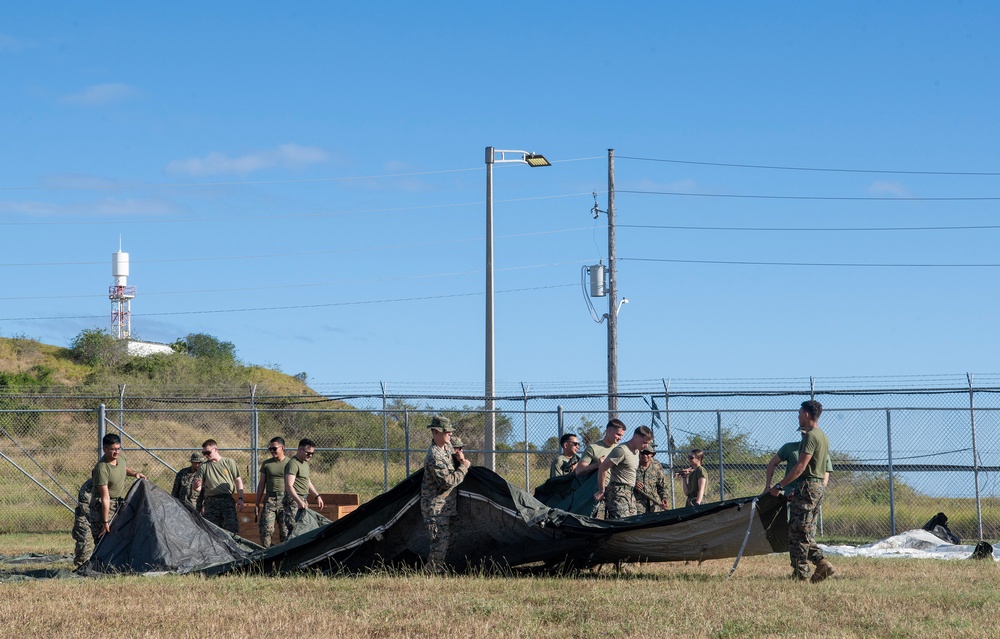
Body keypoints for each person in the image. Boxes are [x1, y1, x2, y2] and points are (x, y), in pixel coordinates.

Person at [768, 400, 836, 583]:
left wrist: (779, 486)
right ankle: (812, 567)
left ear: (806, 414)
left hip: (807, 485)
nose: (798, 417)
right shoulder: (823, 436)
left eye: (799, 414)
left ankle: (807, 571)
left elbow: (800, 467)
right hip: (816, 487)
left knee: (797, 531)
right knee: (804, 529)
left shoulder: (810, 436)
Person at [421, 416, 470, 572]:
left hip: (448, 506)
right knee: (439, 543)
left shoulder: (446, 447)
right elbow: (447, 482)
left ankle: (439, 569)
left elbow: (455, 448)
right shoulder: (434, 457)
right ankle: (431, 572)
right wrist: (464, 466)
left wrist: (459, 455)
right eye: (446, 432)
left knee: (449, 540)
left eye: (450, 432)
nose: (449, 435)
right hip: (435, 507)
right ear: (436, 432)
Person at [89, 433, 146, 542]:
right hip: (102, 506)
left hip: (117, 503)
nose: (116, 452)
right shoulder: (101, 469)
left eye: (118, 448)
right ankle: (99, 559)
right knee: (104, 539)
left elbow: (123, 467)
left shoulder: (120, 456)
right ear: (104, 449)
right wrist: (105, 522)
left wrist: (135, 474)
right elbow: (105, 497)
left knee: (119, 538)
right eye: (113, 449)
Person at [593, 425, 654, 520]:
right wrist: (601, 490)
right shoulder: (622, 450)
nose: (646, 446)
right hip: (618, 493)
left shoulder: (637, 452)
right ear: (636, 437)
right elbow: (603, 467)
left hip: (630, 493)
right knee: (622, 522)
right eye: (644, 442)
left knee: (632, 523)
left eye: (647, 443)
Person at [191, 439, 245, 535]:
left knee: (231, 529)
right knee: (212, 531)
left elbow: (238, 480)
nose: (206, 455)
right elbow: (198, 488)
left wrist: (240, 498)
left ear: (216, 449)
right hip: (211, 502)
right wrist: (195, 486)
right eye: (204, 453)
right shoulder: (203, 467)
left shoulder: (229, 462)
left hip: (227, 500)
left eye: (208, 452)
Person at [765, 430, 832, 496]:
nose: (805, 437)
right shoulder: (789, 448)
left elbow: (825, 479)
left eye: (807, 435)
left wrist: (817, 492)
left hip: (811, 493)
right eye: (803, 434)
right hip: (789, 494)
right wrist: (767, 486)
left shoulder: (822, 452)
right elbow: (772, 463)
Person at [283, 438, 324, 537]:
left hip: (303, 499)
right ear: (300, 450)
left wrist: (317, 496)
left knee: (304, 529)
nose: (310, 455)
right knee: (295, 530)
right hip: (293, 501)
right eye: (308, 453)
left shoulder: (305, 464)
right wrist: (298, 501)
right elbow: (289, 486)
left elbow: (307, 481)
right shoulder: (293, 464)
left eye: (312, 454)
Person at [255, 436, 288, 547]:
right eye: (270, 449)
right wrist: (257, 502)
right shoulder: (267, 464)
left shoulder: (290, 463)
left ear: (282, 448)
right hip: (270, 499)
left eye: (274, 449)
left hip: (285, 500)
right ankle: (266, 554)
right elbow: (261, 483)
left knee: (285, 531)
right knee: (266, 529)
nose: (272, 451)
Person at [634, 444, 669, 514]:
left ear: (652, 455)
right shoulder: (633, 466)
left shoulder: (656, 467)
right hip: (637, 505)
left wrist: (664, 498)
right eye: (642, 453)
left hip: (654, 505)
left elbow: (662, 485)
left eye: (647, 453)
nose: (645, 455)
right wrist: (633, 483)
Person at [71, 478, 93, 567]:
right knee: (83, 540)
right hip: (85, 517)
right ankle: (80, 565)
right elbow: (85, 507)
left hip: (100, 516)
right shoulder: (88, 488)